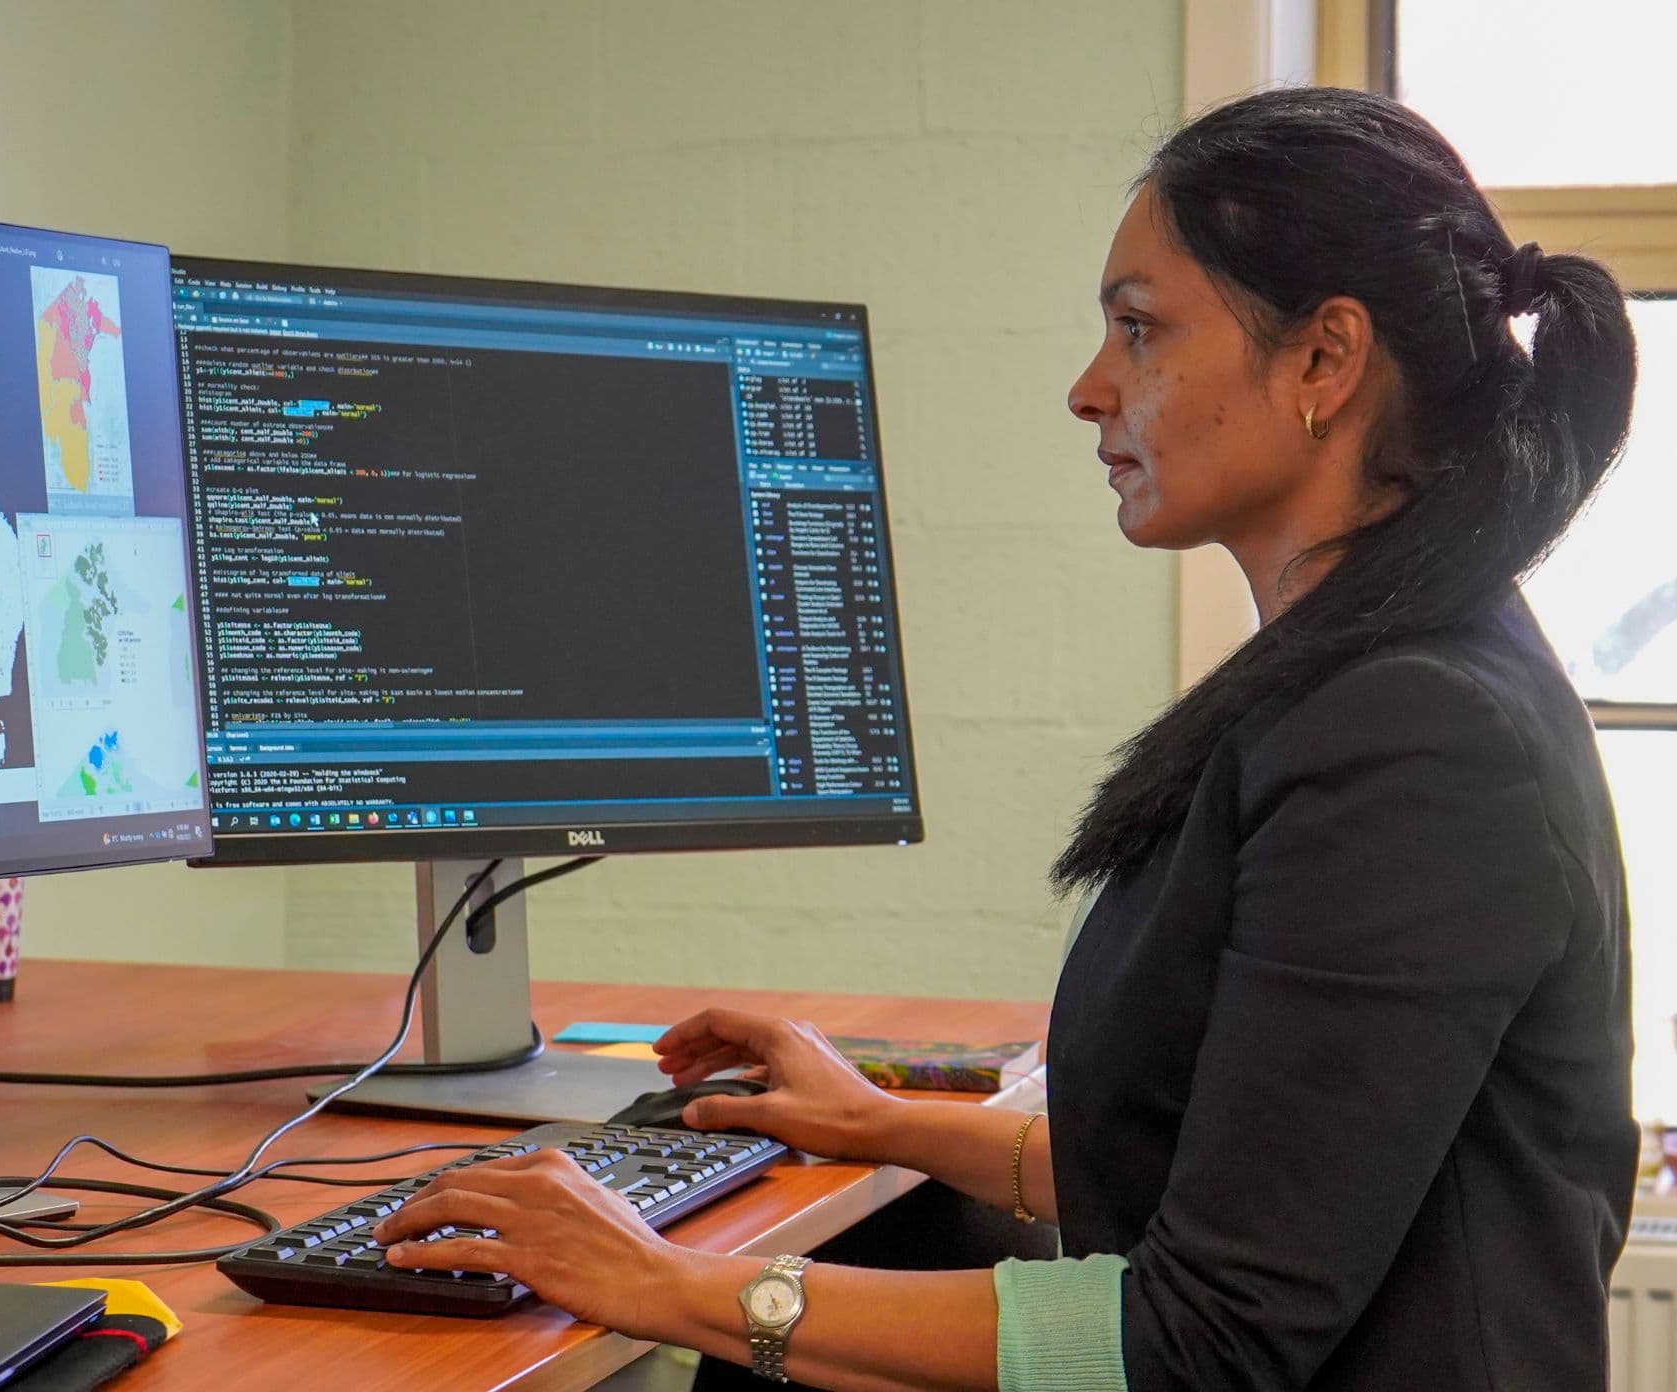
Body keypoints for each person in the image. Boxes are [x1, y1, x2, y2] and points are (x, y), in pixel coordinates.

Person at [372, 85, 1639, 1390]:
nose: (1091, 391)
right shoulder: (1373, 674)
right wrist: (887, 1124)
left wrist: (669, 1281)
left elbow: (1206, 1337)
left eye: (1140, 332)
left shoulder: (1414, 735)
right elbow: (1228, 1169)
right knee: (907, 1236)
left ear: (1324, 360)